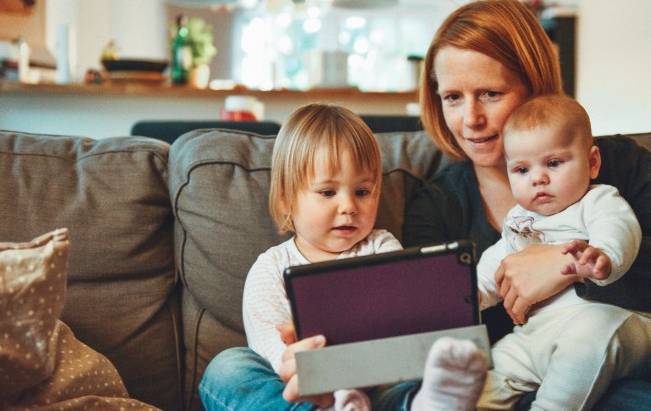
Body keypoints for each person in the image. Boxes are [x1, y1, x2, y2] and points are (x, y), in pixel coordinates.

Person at [203, 0, 651, 410]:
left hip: (616, 379)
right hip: (493, 391)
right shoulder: (439, 202)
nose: (470, 120)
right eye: (453, 97)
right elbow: (435, 338)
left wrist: (569, 265)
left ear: (535, 87)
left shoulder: (612, 163)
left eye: (490, 95)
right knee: (232, 367)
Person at [199, 103, 488, 411]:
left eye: (362, 192)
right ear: (286, 200)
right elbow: (274, 355)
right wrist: (312, 369)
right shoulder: (270, 269)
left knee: (413, 377)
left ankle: (426, 404)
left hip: (376, 384)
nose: (348, 206)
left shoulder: (382, 248)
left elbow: (401, 327)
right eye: (327, 193)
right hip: (304, 391)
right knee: (228, 367)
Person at [472, 93, 651, 410]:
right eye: (521, 170)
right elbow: (499, 261)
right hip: (537, 335)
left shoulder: (597, 200)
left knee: (584, 342)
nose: (538, 179)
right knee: (484, 376)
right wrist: (474, 293)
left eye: (554, 163)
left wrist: (603, 256)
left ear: (592, 163)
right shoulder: (519, 221)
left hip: (613, 323)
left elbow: (619, 228)